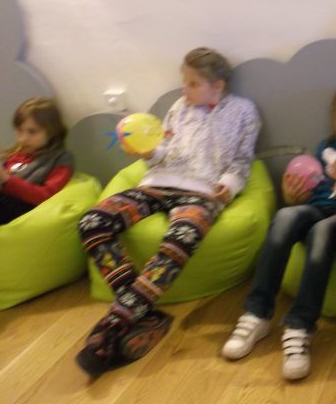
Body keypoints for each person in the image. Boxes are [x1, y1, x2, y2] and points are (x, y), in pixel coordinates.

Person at [76, 47, 261, 378]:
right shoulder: (179, 107)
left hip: (202, 193)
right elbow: (163, 150)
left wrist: (229, 184)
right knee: (92, 222)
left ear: (217, 85)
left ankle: (118, 319)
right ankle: (140, 311)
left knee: (179, 240)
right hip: (157, 185)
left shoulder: (244, 111)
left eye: (193, 84)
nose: (184, 89)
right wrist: (146, 152)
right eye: (184, 81)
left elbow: (243, 159)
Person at [222, 83, 336, 381]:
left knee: (321, 231)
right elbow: (314, 186)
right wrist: (291, 196)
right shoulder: (327, 147)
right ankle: (257, 314)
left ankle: (300, 326)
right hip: (317, 207)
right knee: (285, 216)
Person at [0, 97, 74, 225]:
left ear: (51, 132)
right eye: (19, 130)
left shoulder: (61, 158)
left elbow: (46, 196)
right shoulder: (16, 152)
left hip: (23, 209)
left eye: (32, 132)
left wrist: (6, 179)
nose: (23, 139)